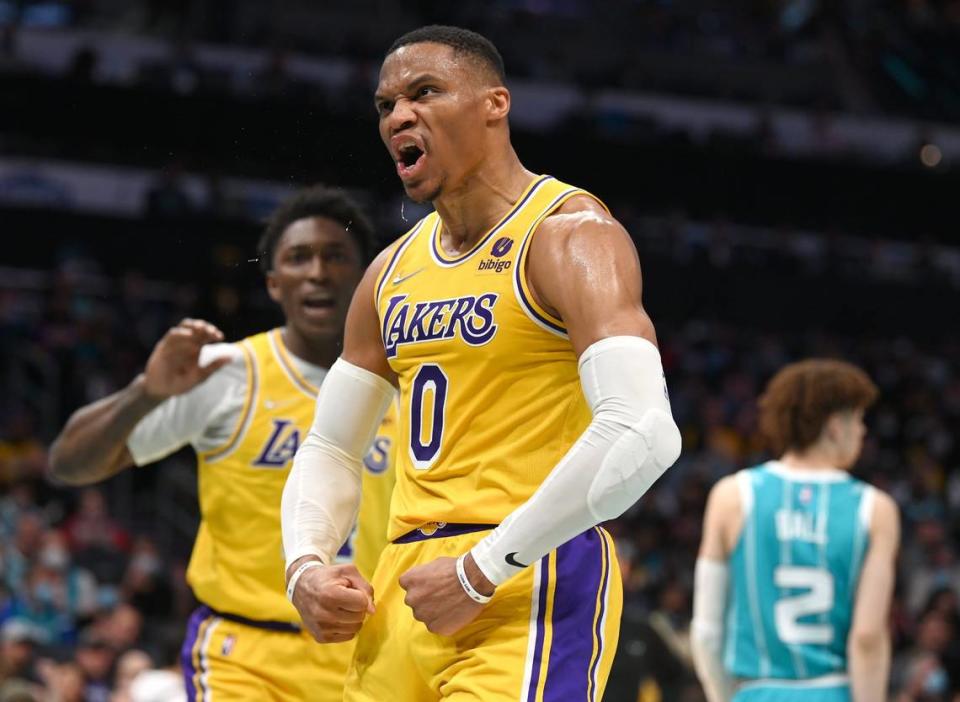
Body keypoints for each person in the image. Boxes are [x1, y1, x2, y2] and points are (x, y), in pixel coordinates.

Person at [281, 25, 682, 701]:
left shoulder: (569, 235)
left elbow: (645, 429)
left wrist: (482, 569)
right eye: (385, 106)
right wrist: (305, 566)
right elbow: (330, 445)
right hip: (404, 585)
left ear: (495, 104)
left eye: (424, 92)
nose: (399, 116)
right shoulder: (389, 273)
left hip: (526, 575)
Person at [48, 186, 397, 701]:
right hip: (247, 655)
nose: (319, 272)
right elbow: (70, 465)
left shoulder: (412, 380)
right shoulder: (229, 372)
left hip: (371, 649)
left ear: (367, 275)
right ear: (274, 283)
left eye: (336, 256)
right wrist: (145, 392)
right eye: (299, 258)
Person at [690, 359, 900, 702]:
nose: (863, 432)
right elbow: (867, 638)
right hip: (833, 691)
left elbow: (707, 633)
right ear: (834, 426)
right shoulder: (876, 509)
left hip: (756, 691)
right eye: (860, 419)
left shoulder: (732, 496)